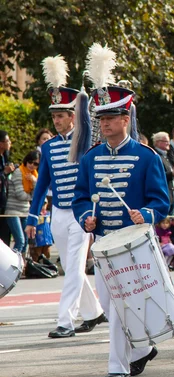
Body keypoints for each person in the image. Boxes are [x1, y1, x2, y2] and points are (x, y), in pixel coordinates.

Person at [72, 72, 170, 377]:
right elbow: (80, 197)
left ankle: (118, 365)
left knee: (120, 305)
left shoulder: (145, 156)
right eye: (100, 118)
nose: (104, 124)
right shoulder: (90, 158)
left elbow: (161, 202)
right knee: (109, 302)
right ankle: (141, 351)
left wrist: (146, 213)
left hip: (133, 243)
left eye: (111, 118)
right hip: (103, 242)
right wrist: (86, 216)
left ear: (125, 118)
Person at [25, 55, 105, 339]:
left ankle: (65, 321)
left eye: (61, 115)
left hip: (81, 213)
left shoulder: (84, 142)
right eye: (54, 116)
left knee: (73, 268)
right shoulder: (47, 149)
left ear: (72, 116)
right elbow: (42, 183)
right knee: (71, 267)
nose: (56, 120)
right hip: (58, 212)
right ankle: (94, 312)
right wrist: (33, 217)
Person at [6, 150, 40, 254]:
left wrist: (34, 181)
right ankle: (11, 265)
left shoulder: (34, 175)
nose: (32, 165)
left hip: (25, 211)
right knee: (20, 241)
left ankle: (22, 266)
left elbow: (37, 195)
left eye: (36, 164)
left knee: (25, 242)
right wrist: (30, 197)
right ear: (26, 161)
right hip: (13, 211)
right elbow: (20, 194)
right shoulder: (18, 172)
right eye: (30, 162)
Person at [152, 131, 174, 206]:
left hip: (171, 195)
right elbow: (157, 176)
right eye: (166, 141)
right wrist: (172, 174)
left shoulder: (165, 156)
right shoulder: (155, 156)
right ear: (157, 142)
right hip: (163, 195)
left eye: (169, 141)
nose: (168, 143)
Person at [0, 130, 15, 246]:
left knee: (6, 232)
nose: (10, 143)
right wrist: (4, 172)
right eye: (7, 141)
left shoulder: (5, 156)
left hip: (5, 198)